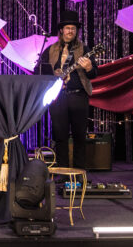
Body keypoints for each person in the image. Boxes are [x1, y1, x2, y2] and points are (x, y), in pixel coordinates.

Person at [41, 10, 97, 169]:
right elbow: (39, 71)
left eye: (73, 28)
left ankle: (79, 171)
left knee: (80, 136)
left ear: (76, 31)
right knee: (60, 136)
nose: (70, 31)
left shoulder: (85, 50)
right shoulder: (50, 50)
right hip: (58, 98)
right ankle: (63, 171)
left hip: (78, 97)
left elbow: (94, 74)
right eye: (67, 28)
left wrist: (89, 67)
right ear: (61, 30)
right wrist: (53, 76)